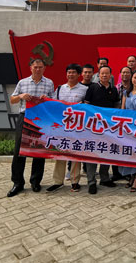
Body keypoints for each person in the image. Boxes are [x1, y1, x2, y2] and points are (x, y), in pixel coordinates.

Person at [7, 58, 54, 197]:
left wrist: (47, 99)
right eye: (35, 67)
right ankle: (17, 183)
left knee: (38, 151)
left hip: (41, 120)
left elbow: (53, 103)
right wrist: (21, 96)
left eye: (40, 67)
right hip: (25, 117)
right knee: (19, 151)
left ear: (44, 68)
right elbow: (12, 99)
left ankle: (35, 181)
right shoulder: (22, 82)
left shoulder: (49, 83)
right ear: (31, 68)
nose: (38, 69)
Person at [46, 64, 89, 193]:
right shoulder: (60, 89)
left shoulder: (85, 89)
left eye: (73, 72)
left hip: (77, 127)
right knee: (60, 153)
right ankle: (58, 181)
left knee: (75, 153)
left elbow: (88, 108)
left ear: (79, 74)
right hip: (62, 126)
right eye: (69, 72)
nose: (71, 74)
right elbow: (53, 104)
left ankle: (75, 181)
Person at [83, 65, 121, 194]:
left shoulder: (113, 89)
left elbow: (117, 105)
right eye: (102, 73)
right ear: (98, 75)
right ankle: (91, 181)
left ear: (110, 75)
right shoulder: (92, 88)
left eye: (107, 73)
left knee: (107, 151)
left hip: (108, 127)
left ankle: (104, 178)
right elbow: (86, 106)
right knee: (92, 153)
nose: (104, 75)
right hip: (93, 126)